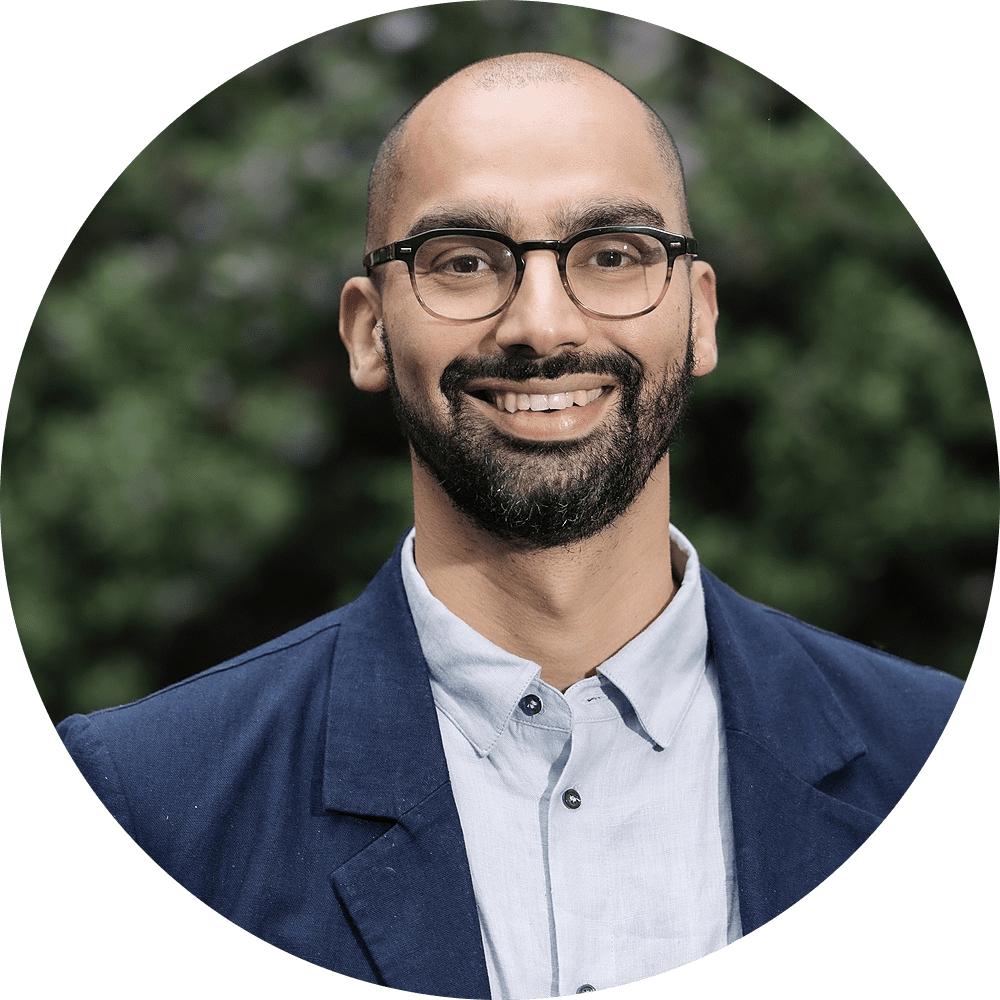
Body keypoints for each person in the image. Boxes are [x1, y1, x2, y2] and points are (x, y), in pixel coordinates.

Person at [58, 53, 962, 1000]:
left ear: (699, 317)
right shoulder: (143, 808)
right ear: (369, 331)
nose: (541, 323)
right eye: (462, 261)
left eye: (612, 255)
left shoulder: (939, 761)